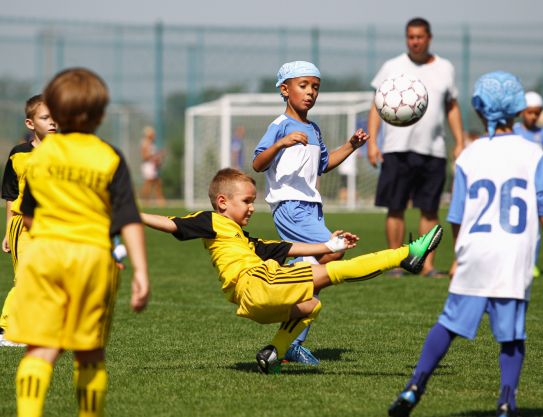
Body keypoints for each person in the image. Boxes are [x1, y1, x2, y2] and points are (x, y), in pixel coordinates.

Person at [141, 167, 443, 375]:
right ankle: (406, 254)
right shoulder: (212, 221)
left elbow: (288, 248)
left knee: (311, 304)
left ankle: (273, 352)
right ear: (222, 202)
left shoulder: (247, 241)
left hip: (252, 302)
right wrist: (132, 213)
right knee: (332, 274)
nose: (250, 208)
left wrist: (328, 244)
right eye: (246, 201)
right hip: (257, 283)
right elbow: (172, 224)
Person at [388, 71, 542, 417]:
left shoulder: (470, 156)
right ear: (518, 109)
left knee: (448, 322)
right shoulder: (534, 153)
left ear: (480, 110)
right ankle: (506, 402)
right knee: (512, 335)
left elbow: (457, 214)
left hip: (476, 250)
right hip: (514, 253)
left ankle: (415, 386)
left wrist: (459, 254)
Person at [5, 68, 150, 417]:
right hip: (90, 259)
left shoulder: (38, 158)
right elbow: (128, 217)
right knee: (89, 352)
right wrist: (141, 270)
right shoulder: (109, 157)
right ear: (100, 115)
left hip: (43, 257)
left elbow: (27, 216)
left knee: (39, 349)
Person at [252, 61, 369, 365]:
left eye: (315, 86)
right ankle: (287, 294)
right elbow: (258, 163)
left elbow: (324, 164)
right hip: (289, 207)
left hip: (311, 207)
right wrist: (281, 143)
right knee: (333, 251)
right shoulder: (280, 125)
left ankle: (289, 324)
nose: (310, 92)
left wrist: (352, 146)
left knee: (315, 267)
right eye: (303, 85)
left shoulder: (314, 129)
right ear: (285, 89)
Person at [366, 17, 464, 278]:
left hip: (433, 149)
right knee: (395, 207)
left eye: (420, 37)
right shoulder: (392, 66)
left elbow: (452, 107)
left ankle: (426, 266)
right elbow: (376, 105)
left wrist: (460, 141)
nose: (415, 41)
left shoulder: (445, 68)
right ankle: (395, 264)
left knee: (430, 209)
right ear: (406, 38)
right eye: (410, 37)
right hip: (396, 148)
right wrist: (373, 142)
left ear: (429, 38)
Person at [0, 94, 57, 347]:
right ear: (30, 123)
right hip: (23, 225)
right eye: (46, 118)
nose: (53, 122)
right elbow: (11, 195)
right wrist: (7, 230)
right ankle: (5, 329)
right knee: (25, 276)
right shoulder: (19, 154)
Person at [514, 91, 543, 278]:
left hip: (538, 187)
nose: (533, 116)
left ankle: (531, 263)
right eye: (529, 112)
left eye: (537, 113)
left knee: (536, 228)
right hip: (519, 185)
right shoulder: (515, 130)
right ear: (522, 112)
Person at [140, 125, 166, 206]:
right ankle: (145, 200)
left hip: (152, 166)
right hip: (148, 166)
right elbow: (144, 156)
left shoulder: (151, 144)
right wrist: (155, 157)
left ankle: (160, 200)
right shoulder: (145, 143)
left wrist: (158, 156)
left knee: (157, 183)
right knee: (149, 184)